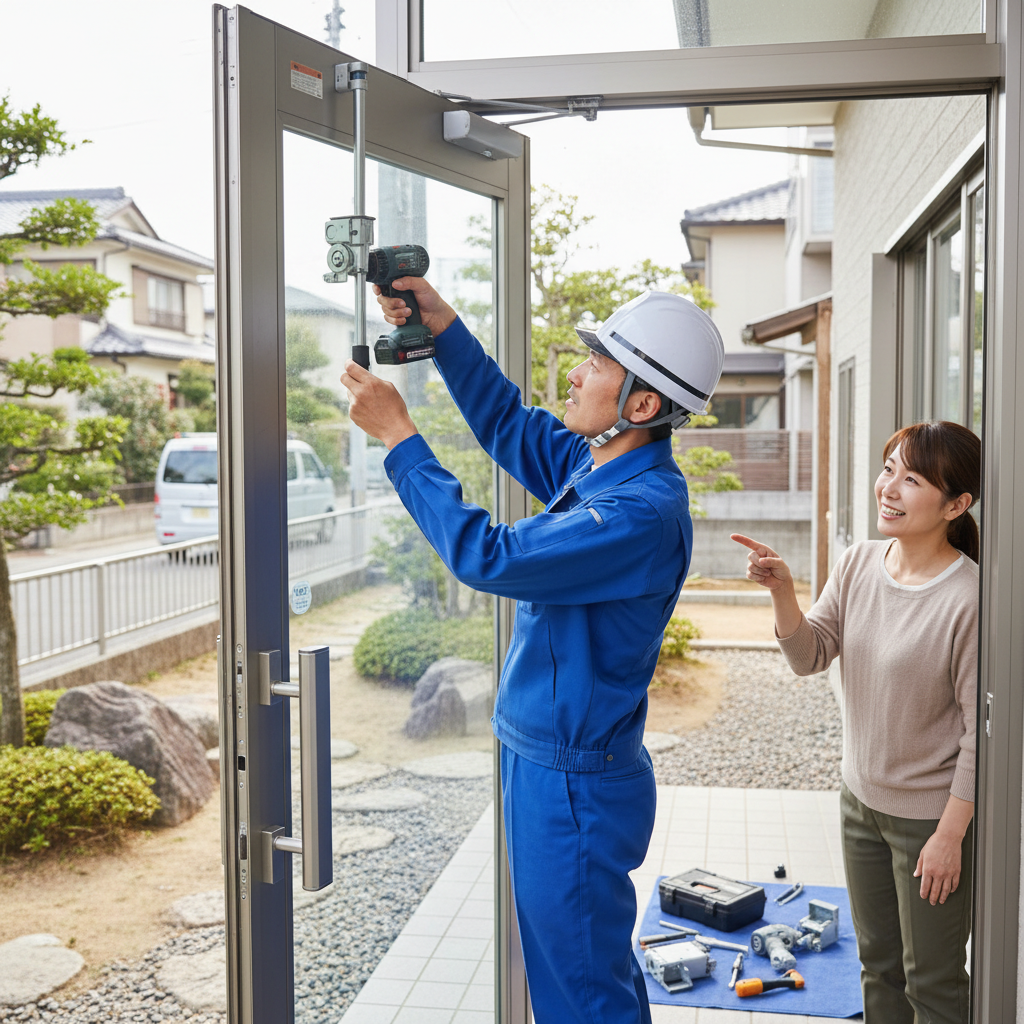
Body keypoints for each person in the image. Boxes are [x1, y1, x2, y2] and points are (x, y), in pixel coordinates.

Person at [340, 278, 724, 1024]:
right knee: (577, 974)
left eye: (597, 364)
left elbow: (489, 556)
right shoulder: (600, 464)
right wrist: (442, 323)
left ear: (641, 406)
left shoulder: (637, 511)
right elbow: (506, 423)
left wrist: (399, 437)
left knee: (582, 995)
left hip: (573, 785)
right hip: (544, 761)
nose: (576, 373)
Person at [733, 420, 980, 1024]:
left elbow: (981, 731)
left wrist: (951, 835)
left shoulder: (970, 598)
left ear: (956, 505)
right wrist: (784, 592)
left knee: (935, 981)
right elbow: (808, 656)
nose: (888, 488)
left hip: (929, 820)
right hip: (859, 804)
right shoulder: (858, 564)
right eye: (888, 469)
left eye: (911, 478)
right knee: (876, 965)